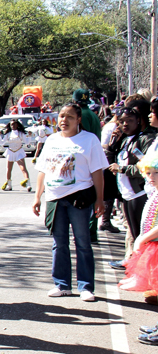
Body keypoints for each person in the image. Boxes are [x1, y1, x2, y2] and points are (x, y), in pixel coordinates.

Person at [33, 103, 108, 302]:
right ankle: (62, 284)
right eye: (61, 116)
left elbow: (97, 171)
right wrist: (37, 197)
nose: (64, 121)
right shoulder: (51, 140)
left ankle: (86, 287)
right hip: (55, 198)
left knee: (83, 243)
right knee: (59, 244)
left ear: (78, 119)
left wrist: (100, 199)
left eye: (69, 117)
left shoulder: (89, 140)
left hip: (79, 198)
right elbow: (43, 171)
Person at [108, 105, 155, 260]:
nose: (125, 124)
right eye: (122, 122)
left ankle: (143, 269)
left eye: (130, 121)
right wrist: (113, 143)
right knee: (135, 235)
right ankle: (135, 265)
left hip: (140, 194)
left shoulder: (145, 139)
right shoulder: (125, 140)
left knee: (142, 236)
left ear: (139, 121)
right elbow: (110, 162)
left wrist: (122, 169)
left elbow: (146, 167)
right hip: (126, 195)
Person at [119, 149, 158, 309]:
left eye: (156, 173)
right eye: (148, 173)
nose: (151, 177)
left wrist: (143, 238)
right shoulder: (155, 193)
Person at [1, 120, 32, 192]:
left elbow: (27, 142)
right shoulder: (8, 134)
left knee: (23, 168)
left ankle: (28, 184)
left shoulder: (21, 134)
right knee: (9, 169)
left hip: (19, 151)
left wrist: (30, 136)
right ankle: (9, 185)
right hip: (10, 151)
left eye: (14, 124)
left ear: (17, 125)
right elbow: (2, 142)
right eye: (12, 124)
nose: (13, 126)